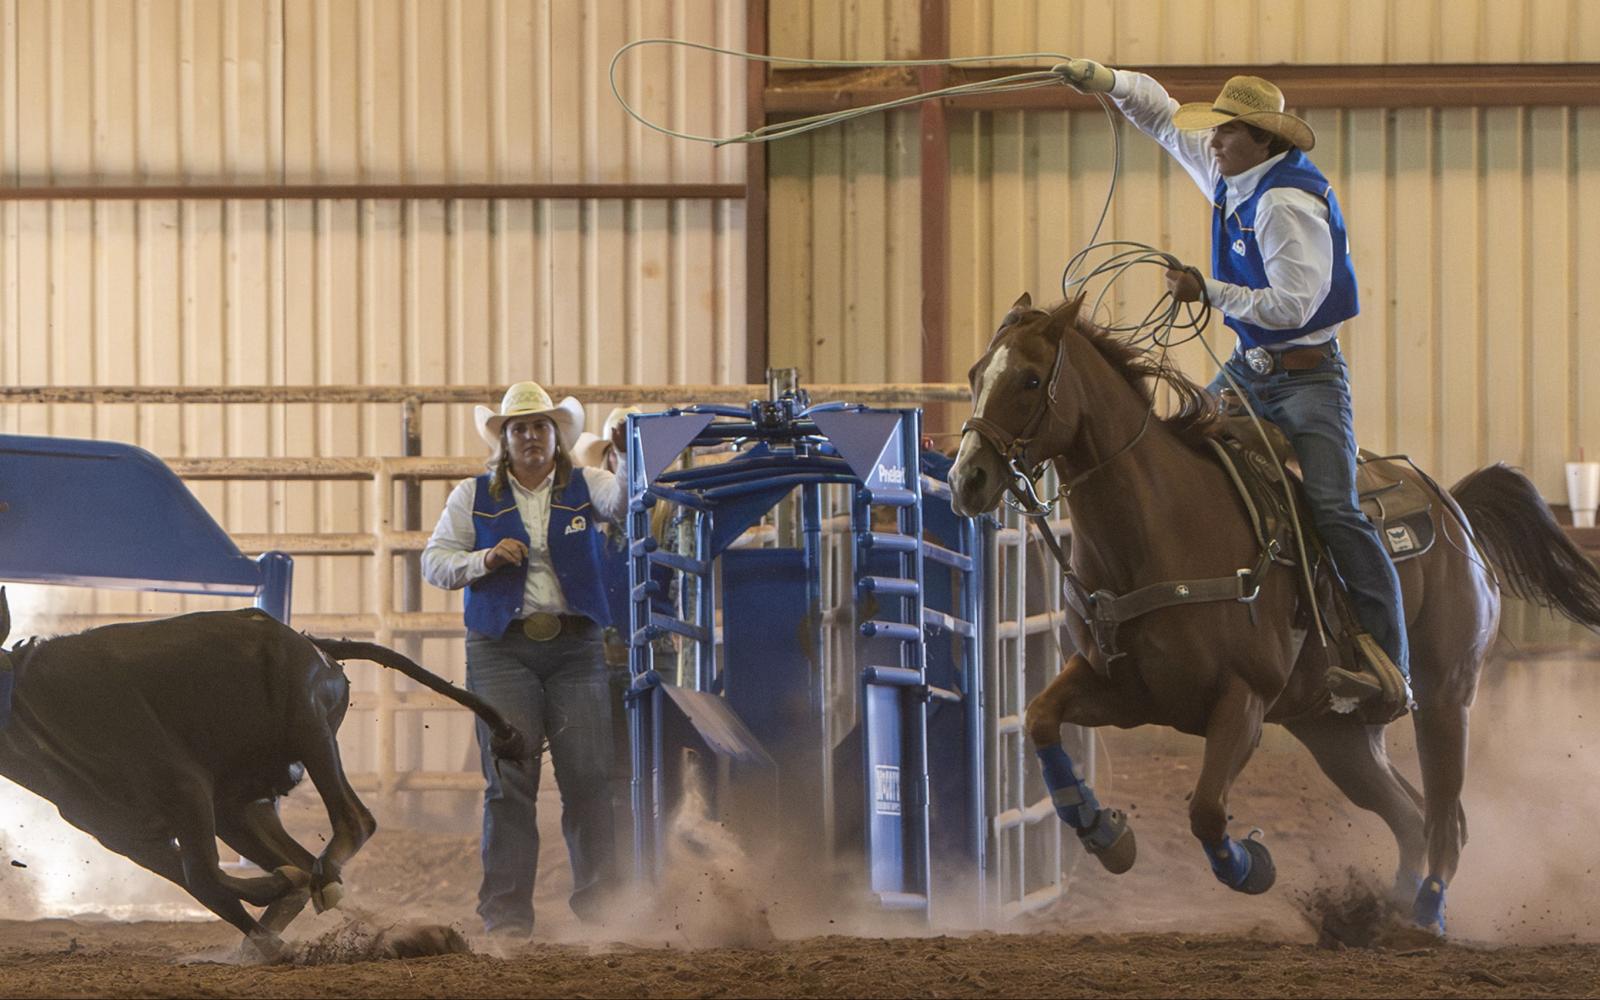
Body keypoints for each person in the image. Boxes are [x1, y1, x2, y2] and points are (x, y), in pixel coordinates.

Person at [1057, 61, 1411, 718]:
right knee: (1175, 457)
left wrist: (1207, 289)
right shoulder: (1231, 174)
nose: (1212, 141)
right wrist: (1102, 78)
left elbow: (1295, 305)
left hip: (1309, 378)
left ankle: (1390, 664)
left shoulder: (1285, 204)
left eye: (1225, 133)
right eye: (1215, 132)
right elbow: (1160, 115)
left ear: (1261, 139)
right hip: (1253, 368)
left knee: (1336, 508)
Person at [421, 381, 627, 936]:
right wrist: (485, 559)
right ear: (505, 439)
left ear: (556, 436)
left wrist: (630, 456)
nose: (531, 437)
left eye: (540, 427)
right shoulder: (472, 495)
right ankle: (507, 917)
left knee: (587, 778)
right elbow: (434, 563)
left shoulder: (593, 484)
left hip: (576, 643)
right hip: (501, 646)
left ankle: (601, 911)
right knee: (510, 783)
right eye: (520, 428)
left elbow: (626, 504)